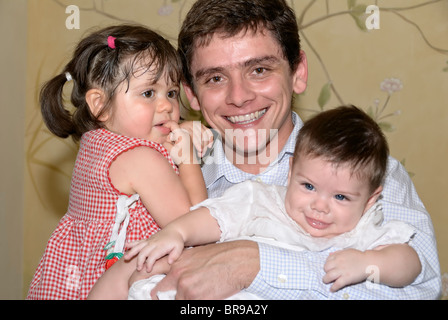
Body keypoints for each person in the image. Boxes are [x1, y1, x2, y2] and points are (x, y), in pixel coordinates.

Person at [141, 0, 440, 300]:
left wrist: (255, 264)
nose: (239, 96)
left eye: (259, 70)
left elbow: (420, 291)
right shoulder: (161, 181)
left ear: (297, 72)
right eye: (216, 78)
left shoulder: (369, 175)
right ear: (192, 94)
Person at [123, 105, 421, 300]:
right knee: (144, 282)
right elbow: (216, 216)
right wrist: (177, 233)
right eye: (308, 186)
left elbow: (411, 265)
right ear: (291, 173)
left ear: (370, 200)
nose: (319, 206)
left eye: (340, 197)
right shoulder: (263, 200)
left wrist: (370, 263)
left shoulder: (366, 229)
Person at [27, 24, 212, 300]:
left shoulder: (96, 144)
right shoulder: (141, 159)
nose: (166, 106)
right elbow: (195, 226)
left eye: (171, 93)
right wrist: (188, 158)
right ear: (99, 105)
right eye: (148, 93)